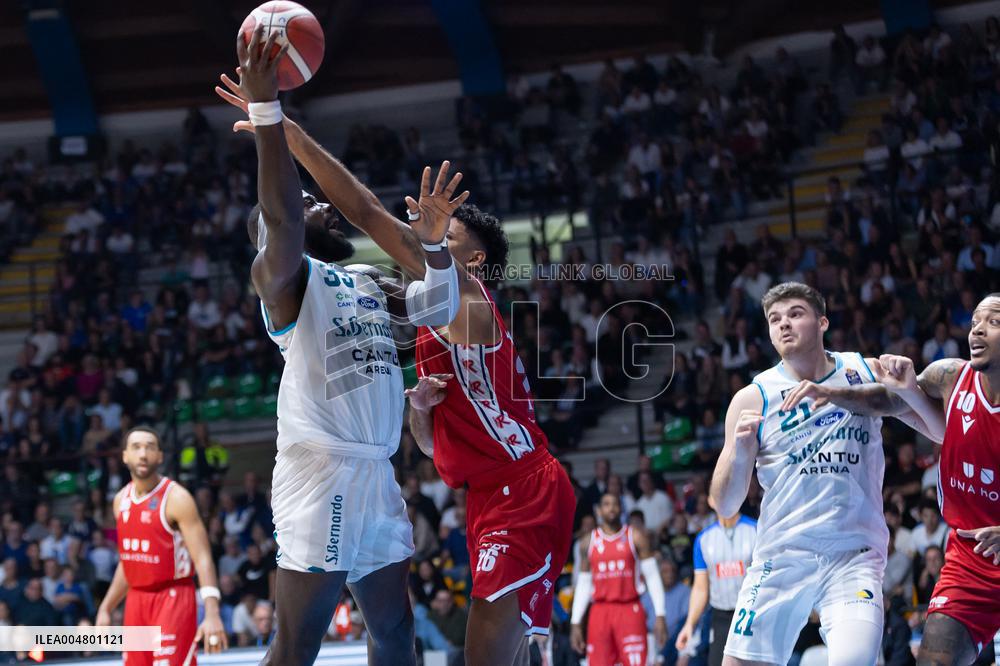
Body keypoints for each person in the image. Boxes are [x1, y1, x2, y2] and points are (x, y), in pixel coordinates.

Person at [214, 27, 463, 666]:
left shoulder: (366, 281)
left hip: (375, 471)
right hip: (320, 472)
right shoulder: (284, 283)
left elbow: (439, 306)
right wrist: (270, 117)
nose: (318, 204)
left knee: (396, 632)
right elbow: (285, 223)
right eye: (307, 202)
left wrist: (432, 246)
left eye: (316, 197)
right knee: (298, 643)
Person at [710, 282, 942, 666]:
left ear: (822, 322)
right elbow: (724, 504)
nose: (784, 324)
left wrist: (912, 389)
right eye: (774, 319)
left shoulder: (864, 370)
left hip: (854, 555)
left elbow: (939, 431)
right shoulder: (754, 397)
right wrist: (739, 455)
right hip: (782, 556)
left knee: (855, 660)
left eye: (795, 314)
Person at [404, 205, 577, 663]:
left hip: (522, 486)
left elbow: (367, 213)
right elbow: (430, 445)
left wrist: (284, 133)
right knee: (508, 655)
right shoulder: (434, 318)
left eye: (449, 234)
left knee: (482, 656)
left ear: (474, 260)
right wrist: (420, 410)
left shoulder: (471, 301)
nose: (436, 236)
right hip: (485, 495)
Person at [873, 294, 1000, 665]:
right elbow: (886, 401)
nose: (977, 328)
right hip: (969, 560)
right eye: (975, 321)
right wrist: (824, 390)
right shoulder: (952, 377)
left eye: (993, 321)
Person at [96, 427, 227, 665]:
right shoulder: (120, 501)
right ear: (124, 456)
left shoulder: (177, 498)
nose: (143, 454)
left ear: (160, 456)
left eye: (150, 447)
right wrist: (106, 607)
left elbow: (203, 558)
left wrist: (212, 612)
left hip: (173, 596)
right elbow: (129, 562)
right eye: (136, 447)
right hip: (136, 600)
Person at [568, 493, 668, 666]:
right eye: (606, 504)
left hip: (629, 608)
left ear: (621, 508)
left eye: (615, 504)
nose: (611, 508)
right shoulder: (588, 542)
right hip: (600, 611)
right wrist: (575, 621)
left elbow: (652, 577)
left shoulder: (635, 536)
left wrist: (660, 613)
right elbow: (583, 584)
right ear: (599, 510)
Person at [676, 510, 757, 666]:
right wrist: (689, 624)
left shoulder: (756, 530)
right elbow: (700, 588)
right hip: (720, 617)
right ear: (711, 502)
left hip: (752, 615)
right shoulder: (703, 539)